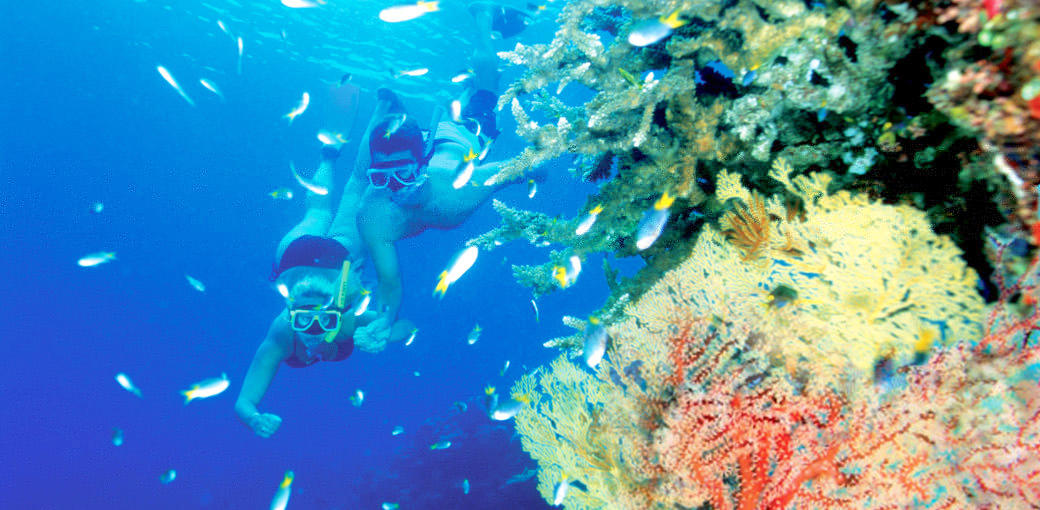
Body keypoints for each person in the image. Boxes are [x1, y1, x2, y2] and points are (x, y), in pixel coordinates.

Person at [234, 83, 412, 438]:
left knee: (347, 193)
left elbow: (244, 402)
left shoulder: (287, 333)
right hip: (304, 258)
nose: (316, 337)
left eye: (308, 323)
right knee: (325, 203)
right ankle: (341, 145)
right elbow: (407, 330)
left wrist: (253, 416)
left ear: (292, 316)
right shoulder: (332, 327)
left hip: (320, 261)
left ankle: (366, 127)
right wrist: (384, 333)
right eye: (321, 324)